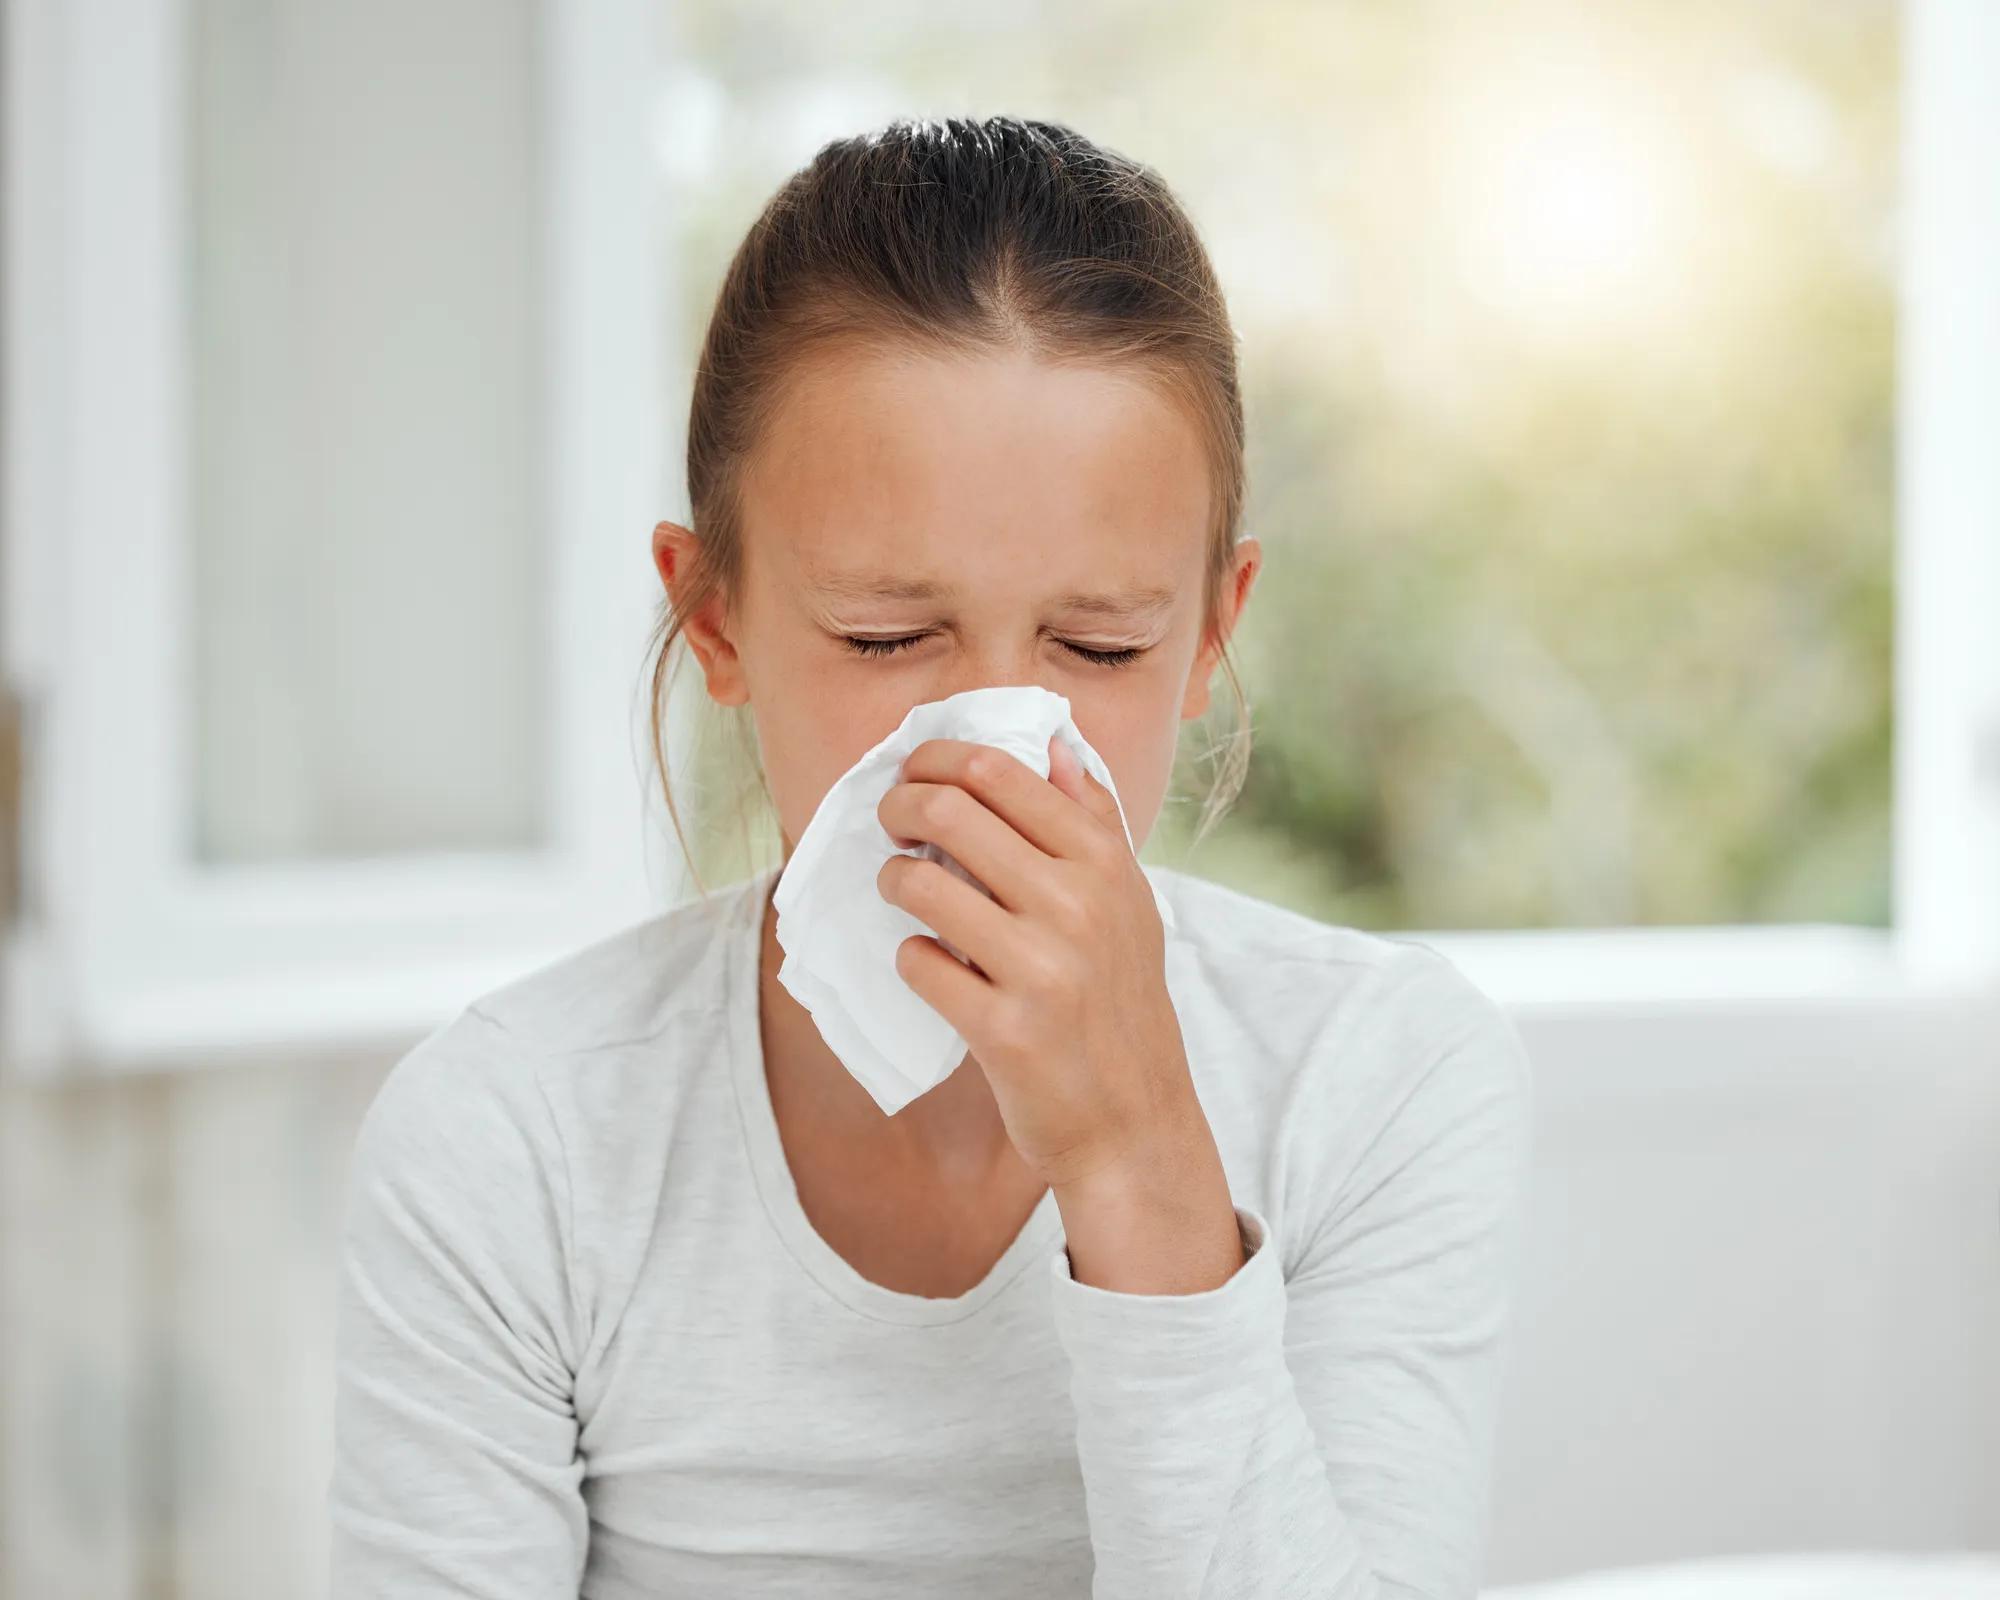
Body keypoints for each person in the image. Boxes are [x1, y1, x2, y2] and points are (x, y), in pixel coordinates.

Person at [328, 114, 1532, 1599]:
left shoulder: (1379, 1080)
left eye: (1099, 645)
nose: (991, 742)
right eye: (887, 640)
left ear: (1212, 634)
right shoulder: (512, 1142)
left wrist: (1138, 1159)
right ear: (714, 620)